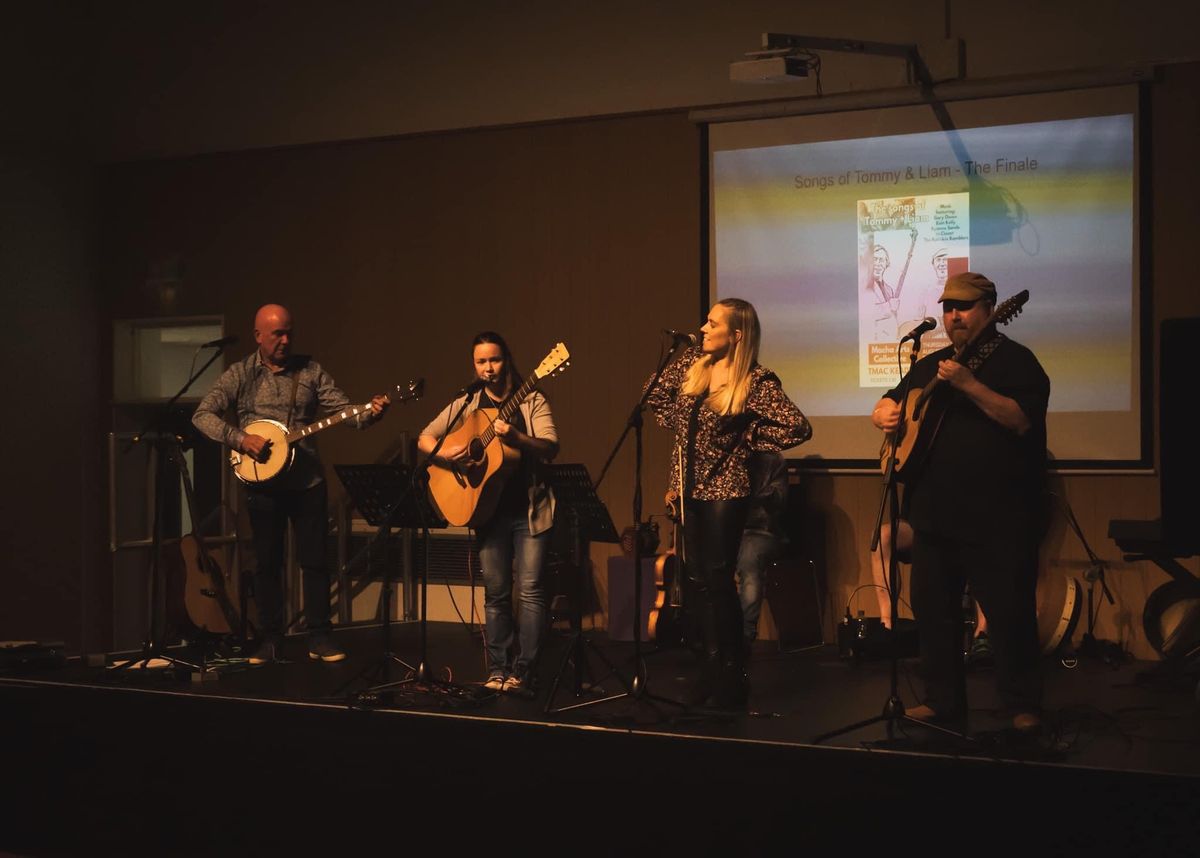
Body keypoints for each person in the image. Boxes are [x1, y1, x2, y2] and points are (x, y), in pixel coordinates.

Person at [871, 272, 1049, 732]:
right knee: (935, 615)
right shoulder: (931, 363)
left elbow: (1021, 420)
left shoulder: (1017, 362)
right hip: (933, 511)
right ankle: (942, 701)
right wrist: (884, 411)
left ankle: (1021, 704)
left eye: (964, 307)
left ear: (991, 309)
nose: (954, 316)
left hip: (999, 515)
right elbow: (892, 403)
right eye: (948, 307)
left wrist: (970, 385)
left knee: (1009, 616)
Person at [192, 303, 390, 664]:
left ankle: (320, 637)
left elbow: (346, 414)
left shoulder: (311, 372)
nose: (285, 340)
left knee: (314, 561)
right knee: (267, 564)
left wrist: (371, 413)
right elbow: (201, 415)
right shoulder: (240, 375)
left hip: (307, 483)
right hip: (262, 485)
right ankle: (271, 640)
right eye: (277, 334)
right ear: (258, 337)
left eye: (289, 333)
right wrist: (239, 439)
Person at [646, 299, 811, 708]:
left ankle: (732, 671)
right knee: (697, 581)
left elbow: (797, 425)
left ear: (736, 335)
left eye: (712, 323)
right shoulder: (692, 368)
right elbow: (654, 397)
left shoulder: (756, 380)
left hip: (726, 489)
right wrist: (676, 473)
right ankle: (709, 664)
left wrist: (749, 443)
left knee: (718, 581)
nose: (702, 328)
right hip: (688, 489)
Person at [418, 332, 558, 698]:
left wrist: (516, 439)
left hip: (529, 510)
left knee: (529, 592)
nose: (488, 368)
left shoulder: (531, 399)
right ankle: (497, 670)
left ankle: (524, 672)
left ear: (506, 360)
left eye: (493, 360)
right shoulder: (467, 401)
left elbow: (550, 447)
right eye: (481, 362)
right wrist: (449, 456)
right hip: (487, 511)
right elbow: (425, 438)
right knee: (496, 593)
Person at [736, 451, 789, 652]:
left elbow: (779, 501)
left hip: (762, 531)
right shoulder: (722, 458)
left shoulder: (772, 460)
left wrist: (758, 490)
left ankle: (744, 636)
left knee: (749, 560)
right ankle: (710, 634)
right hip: (727, 530)